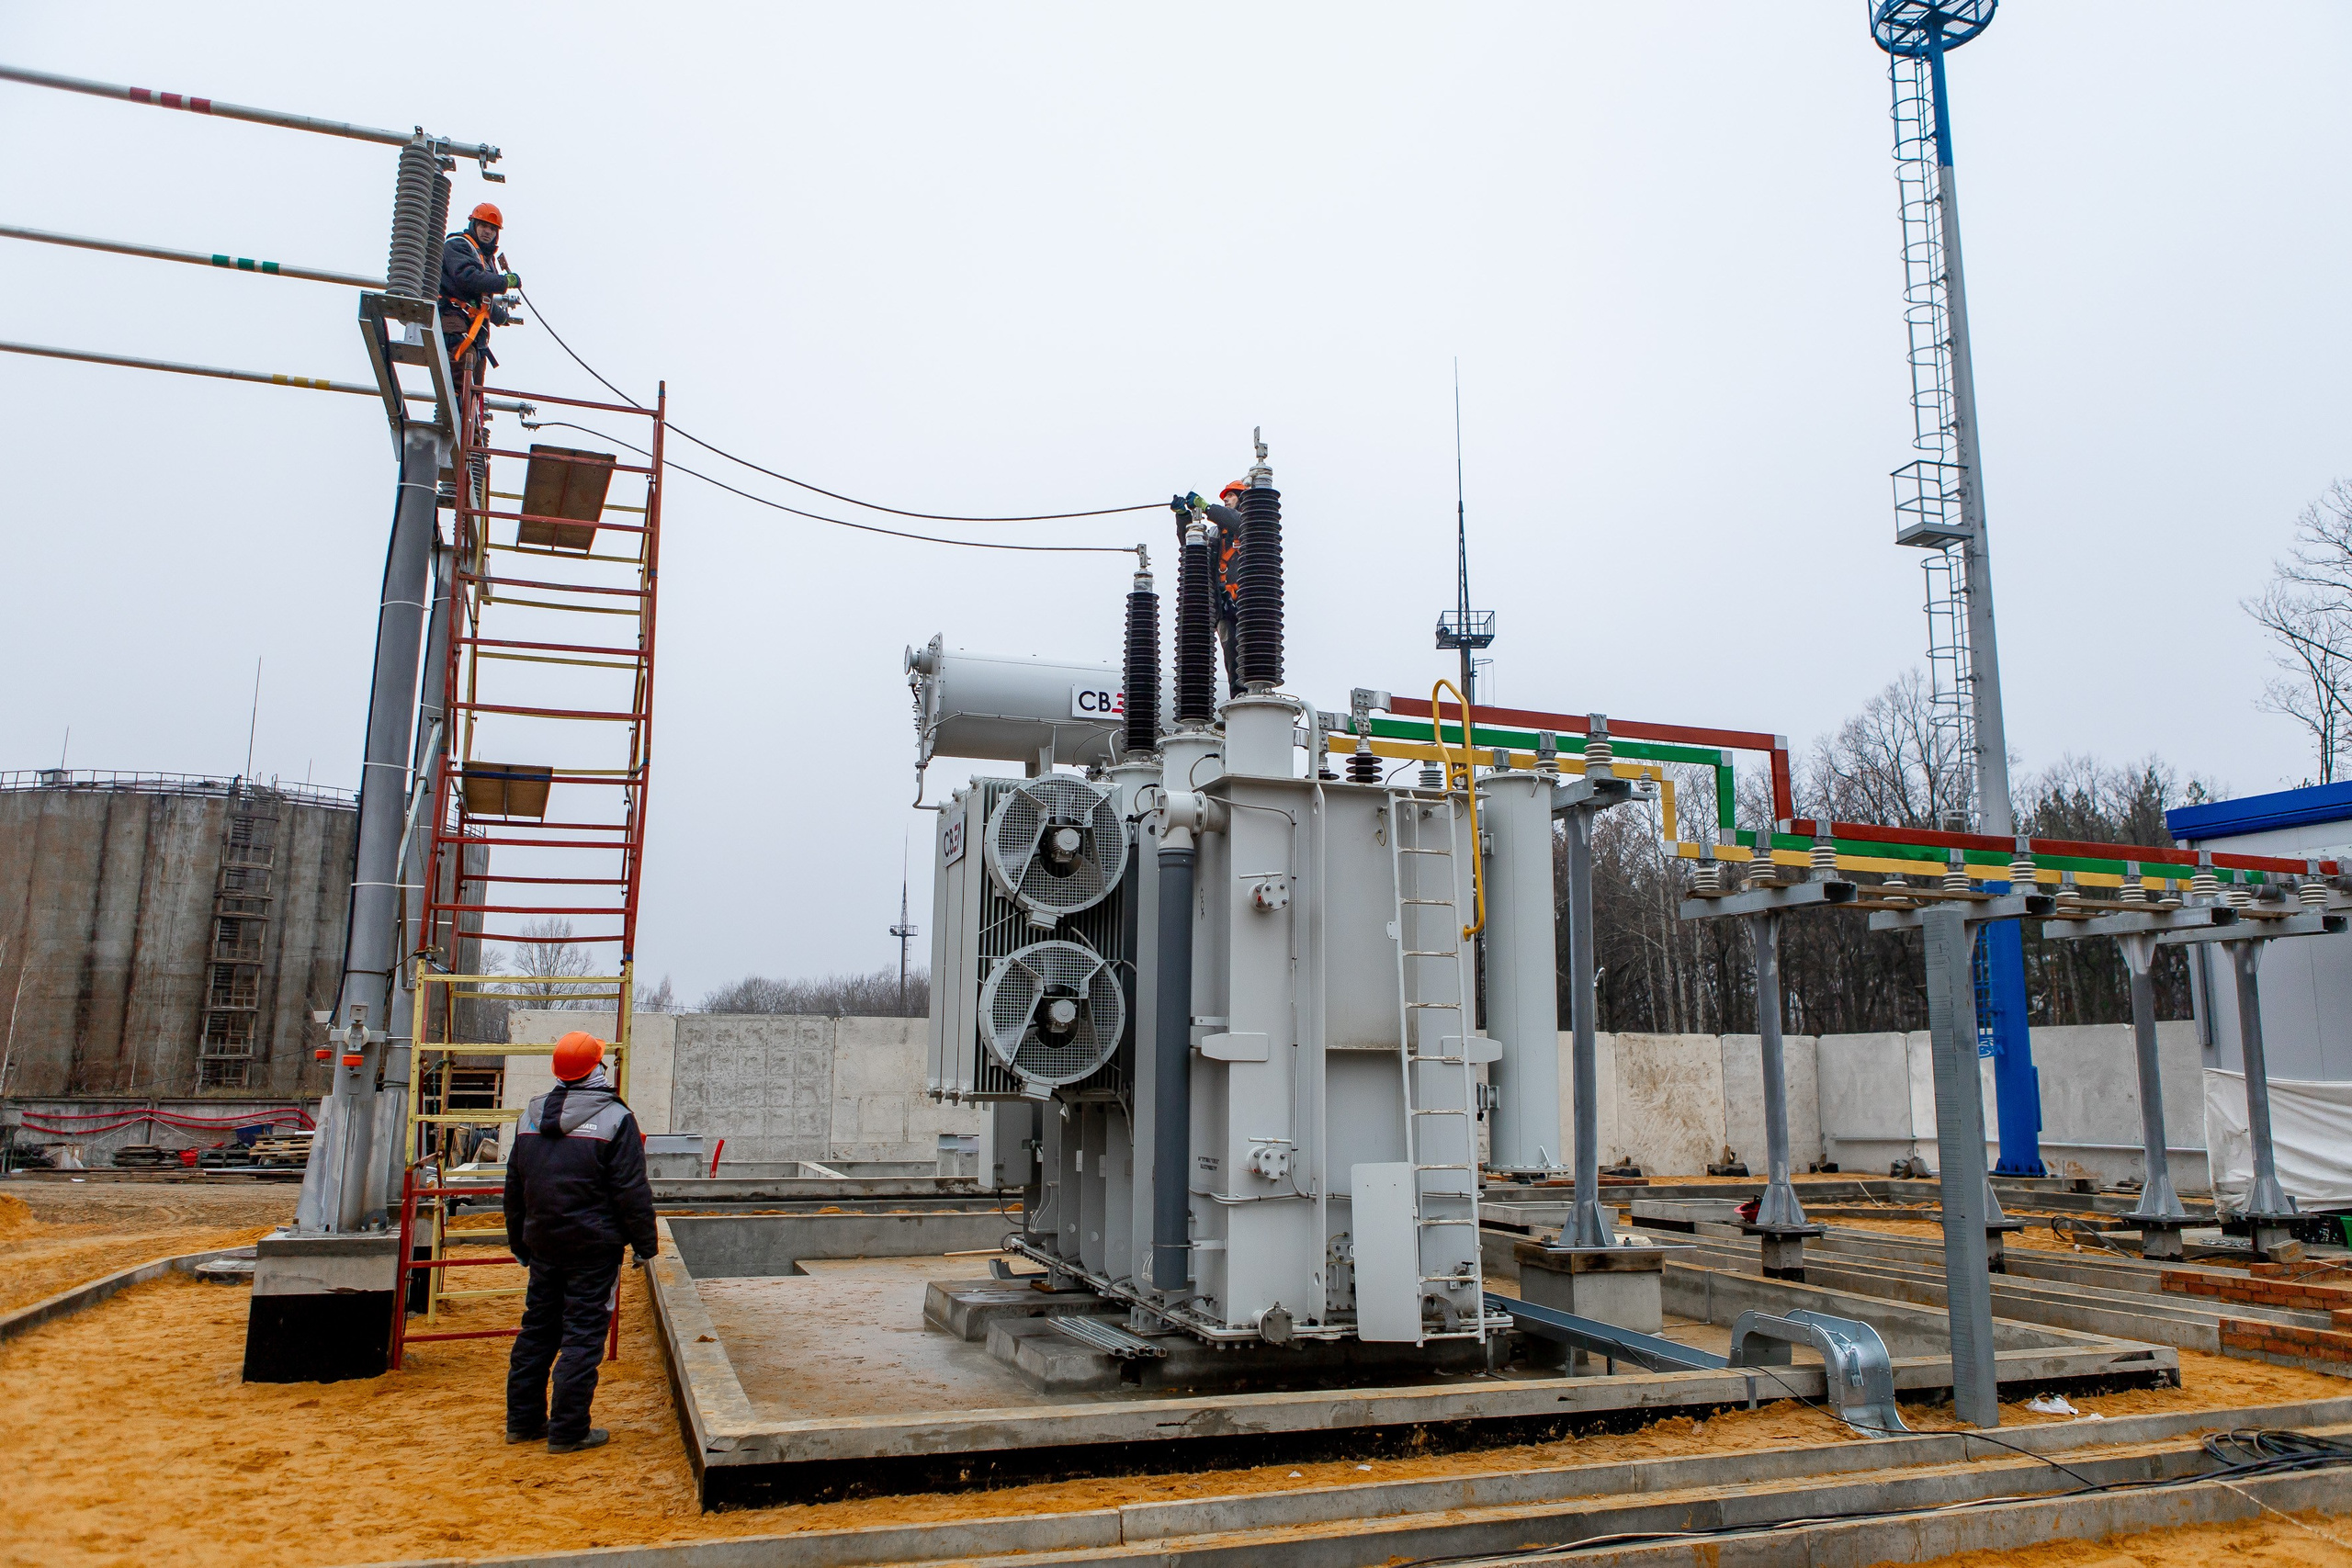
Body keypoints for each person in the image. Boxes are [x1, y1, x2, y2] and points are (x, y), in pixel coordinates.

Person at [502, 1030, 657, 1453]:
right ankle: (569, 1431)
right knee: (584, 1335)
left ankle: (523, 1422)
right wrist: (646, 1245)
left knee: (537, 1331)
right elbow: (631, 1190)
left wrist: (519, 1242)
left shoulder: (530, 1115)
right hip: (593, 1249)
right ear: (597, 1067)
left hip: (544, 1245)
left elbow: (514, 1187)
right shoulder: (615, 1118)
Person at [441, 201, 521, 374]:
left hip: (476, 330)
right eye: (484, 225)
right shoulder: (458, 245)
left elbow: (483, 298)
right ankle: (455, 399)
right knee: (462, 363)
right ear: (474, 224)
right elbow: (467, 278)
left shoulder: (486, 259)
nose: (488, 231)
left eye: (493, 229)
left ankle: (468, 401)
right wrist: (504, 282)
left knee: (475, 383)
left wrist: (500, 317)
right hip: (454, 317)